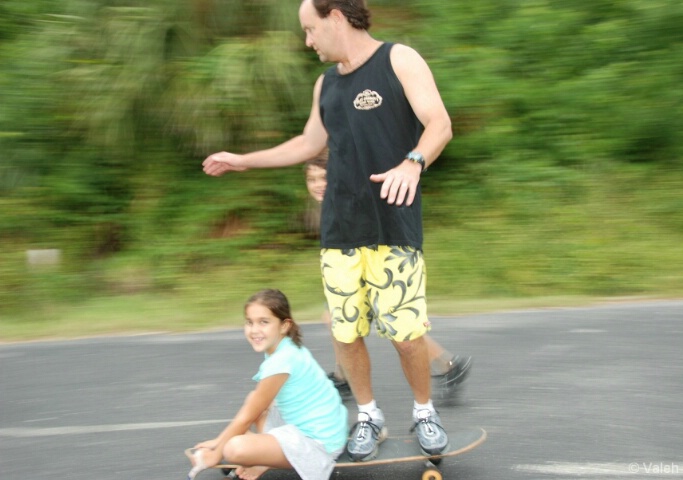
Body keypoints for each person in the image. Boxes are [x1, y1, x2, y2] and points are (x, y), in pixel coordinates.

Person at [202, 0, 455, 462]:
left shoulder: (398, 59)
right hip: (340, 229)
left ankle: (424, 411)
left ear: (336, 17)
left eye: (310, 29)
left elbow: (439, 124)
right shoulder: (326, 84)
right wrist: (243, 160)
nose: (307, 41)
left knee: (406, 333)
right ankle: (369, 415)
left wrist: (413, 162)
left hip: (392, 226)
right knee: (346, 332)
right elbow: (308, 144)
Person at [304, 152, 472, 403]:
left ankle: (449, 366)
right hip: (353, 269)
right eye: (311, 179)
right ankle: (344, 377)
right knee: (337, 320)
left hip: (376, 267)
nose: (317, 184)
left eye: (324, 177)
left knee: (397, 329)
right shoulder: (330, 205)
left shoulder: (348, 201)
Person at [187, 289, 348, 480]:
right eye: (249, 322)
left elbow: (247, 417)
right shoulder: (285, 346)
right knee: (253, 402)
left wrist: (216, 452)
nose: (254, 330)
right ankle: (262, 455)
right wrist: (218, 442)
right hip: (324, 428)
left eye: (264, 322)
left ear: (284, 325)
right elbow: (254, 408)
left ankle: (262, 458)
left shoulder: (281, 362)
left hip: (319, 444)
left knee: (234, 448)